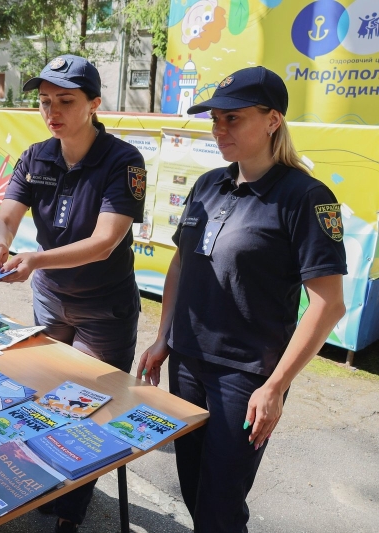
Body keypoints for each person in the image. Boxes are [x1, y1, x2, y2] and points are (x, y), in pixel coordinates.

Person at [137, 66, 347, 532]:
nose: (219, 129)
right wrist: (163, 337)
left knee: (220, 505)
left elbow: (328, 304)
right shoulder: (208, 184)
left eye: (233, 119)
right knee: (193, 493)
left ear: (273, 120)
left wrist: (274, 386)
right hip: (188, 362)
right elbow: (181, 263)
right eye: (215, 119)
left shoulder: (306, 197)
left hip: (247, 377)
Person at [0, 54, 147, 533]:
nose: (52, 111)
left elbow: (105, 241)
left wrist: (34, 260)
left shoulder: (123, 160)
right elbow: (6, 214)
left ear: (94, 104)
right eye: (45, 101)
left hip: (103, 306)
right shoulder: (36, 155)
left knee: (90, 404)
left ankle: (71, 511)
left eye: (65, 101)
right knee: (45, 394)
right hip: (50, 297)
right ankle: (48, 481)